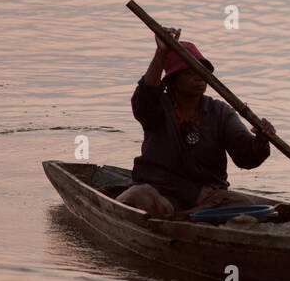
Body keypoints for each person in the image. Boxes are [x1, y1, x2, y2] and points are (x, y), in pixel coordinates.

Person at [116, 28, 275, 216]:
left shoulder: (220, 112)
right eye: (189, 73)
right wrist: (161, 53)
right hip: (162, 194)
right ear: (173, 81)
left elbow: (246, 156)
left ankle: (188, 219)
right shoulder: (158, 107)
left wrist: (261, 141)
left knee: (244, 204)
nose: (199, 77)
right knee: (140, 196)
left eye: (202, 72)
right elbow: (144, 99)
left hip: (206, 201)